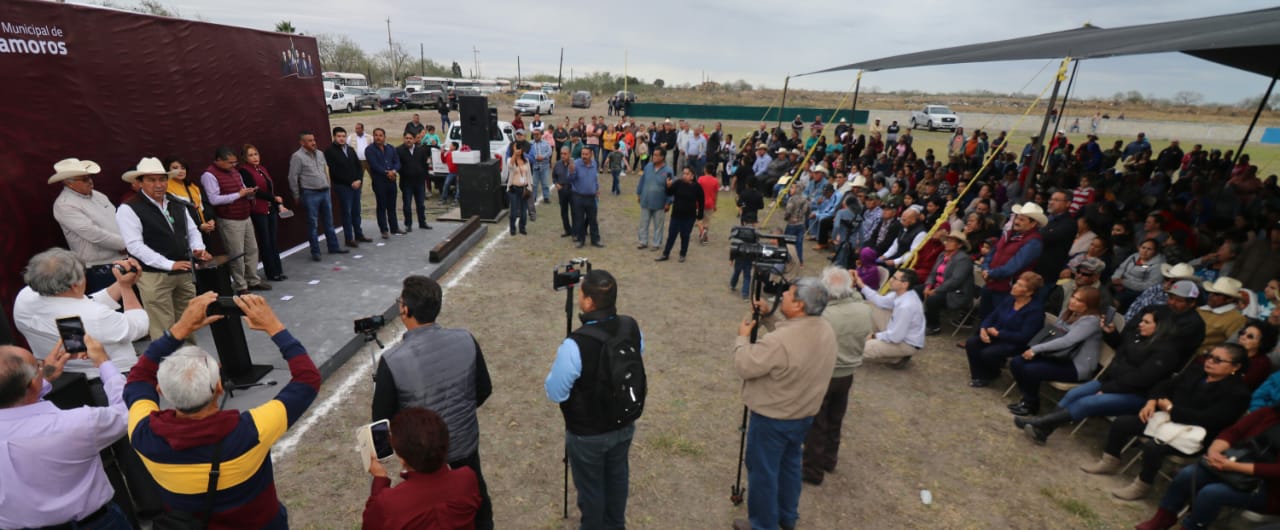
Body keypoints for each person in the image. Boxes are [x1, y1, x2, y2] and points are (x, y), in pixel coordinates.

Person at [125, 292, 320, 529]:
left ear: (161, 391)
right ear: (219, 387)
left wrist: (179, 329)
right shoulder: (251, 431)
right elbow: (308, 379)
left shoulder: (143, 434)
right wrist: (274, 327)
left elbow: (137, 379)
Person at [372, 275, 494, 529]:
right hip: (466, 447)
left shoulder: (393, 360)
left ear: (405, 309)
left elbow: (381, 420)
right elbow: (484, 389)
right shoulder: (465, 339)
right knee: (477, 507)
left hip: (423, 458)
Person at [1082, 343, 1250, 501]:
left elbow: (1210, 419)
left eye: (1217, 360)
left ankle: (1143, 484)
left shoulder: (1238, 394)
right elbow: (1164, 385)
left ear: (1235, 367)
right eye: (1209, 356)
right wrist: (1152, 401)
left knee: (1154, 446)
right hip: (1167, 422)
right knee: (1123, 423)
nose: (1210, 361)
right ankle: (1110, 461)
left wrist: (1171, 409)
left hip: (1194, 435)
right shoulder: (1197, 371)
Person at [731, 278, 835, 530]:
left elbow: (746, 365)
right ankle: (787, 517)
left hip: (773, 418)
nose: (783, 296)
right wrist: (769, 317)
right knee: (789, 466)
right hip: (803, 414)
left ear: (799, 305)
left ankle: (763, 525)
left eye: (788, 293)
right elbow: (791, 343)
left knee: (763, 473)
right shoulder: (825, 329)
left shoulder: (780, 342)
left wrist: (742, 339)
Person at [0, 334, 135, 529]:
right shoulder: (75, 424)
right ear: (32, 384)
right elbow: (129, 411)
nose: (42, 367)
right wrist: (103, 362)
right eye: (38, 366)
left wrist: (43, 375)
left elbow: (21, 399)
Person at [545, 270, 645, 530]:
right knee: (617, 478)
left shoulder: (575, 344)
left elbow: (556, 392)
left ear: (588, 302)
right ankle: (615, 524)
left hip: (587, 434)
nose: (578, 296)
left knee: (591, 489)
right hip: (623, 423)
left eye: (581, 293)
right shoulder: (630, 326)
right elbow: (637, 354)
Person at [1017, 305, 1181, 444]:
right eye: (1142, 320)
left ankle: (1039, 423)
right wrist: (1111, 334)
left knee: (1087, 403)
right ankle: (1043, 430)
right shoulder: (1138, 337)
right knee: (1074, 394)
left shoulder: (1166, 352)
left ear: (1160, 326)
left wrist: (1108, 389)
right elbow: (1122, 352)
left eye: (1146, 322)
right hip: (1111, 381)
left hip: (1136, 394)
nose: (1140, 324)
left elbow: (1142, 378)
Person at [1134, 404, 1280, 530]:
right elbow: (1233, 432)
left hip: (1267, 488)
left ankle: (1191, 527)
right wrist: (1214, 451)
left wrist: (1234, 467)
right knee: (1187, 474)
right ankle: (1164, 517)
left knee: (1212, 493)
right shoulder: (1268, 413)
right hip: (1233, 464)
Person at [115, 157, 211, 340]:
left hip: (183, 271)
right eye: (151, 180)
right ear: (140, 183)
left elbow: (191, 230)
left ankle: (189, 357)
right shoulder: (128, 208)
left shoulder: (177, 202)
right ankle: (169, 359)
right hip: (154, 276)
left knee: (188, 323)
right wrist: (169, 264)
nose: (158, 184)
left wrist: (198, 249)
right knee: (163, 329)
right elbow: (135, 246)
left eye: (162, 179)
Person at [12, 248, 147, 378]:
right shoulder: (92, 315)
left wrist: (121, 283)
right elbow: (138, 326)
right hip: (112, 375)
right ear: (75, 285)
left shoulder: (25, 298)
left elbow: (84, 306)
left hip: (64, 376)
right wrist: (126, 287)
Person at [802, 267, 872, 486]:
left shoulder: (825, 316)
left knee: (817, 423)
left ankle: (812, 469)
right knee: (835, 418)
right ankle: (829, 459)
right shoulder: (864, 309)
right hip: (848, 372)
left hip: (825, 373)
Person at [362, 407, 481, 529]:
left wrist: (380, 478)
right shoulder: (467, 479)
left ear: (402, 459)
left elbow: (371, 525)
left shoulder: (389, 504)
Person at [1007, 287, 1104, 417]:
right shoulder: (1069, 312)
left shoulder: (1091, 321)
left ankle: (1030, 404)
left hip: (1076, 366)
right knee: (1017, 362)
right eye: (1073, 297)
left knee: (1031, 370)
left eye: (1079, 300)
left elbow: (1067, 341)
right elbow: (1055, 334)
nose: (1073, 301)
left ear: (1089, 305)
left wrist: (1035, 349)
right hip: (1057, 356)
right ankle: (1028, 398)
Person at [50, 157, 128, 293]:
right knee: (111, 303)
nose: (90, 181)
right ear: (69, 183)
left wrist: (126, 244)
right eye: (84, 179)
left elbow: (118, 219)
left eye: (89, 177)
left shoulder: (98, 195)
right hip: (99, 267)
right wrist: (124, 244)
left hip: (122, 258)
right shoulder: (64, 204)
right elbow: (93, 233)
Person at [202, 146, 269, 294]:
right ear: (218, 160)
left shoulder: (234, 171)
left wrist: (249, 192)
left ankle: (253, 280)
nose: (233, 165)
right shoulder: (209, 175)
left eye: (235, 162)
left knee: (252, 250)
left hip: (245, 215)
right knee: (236, 254)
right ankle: (241, 285)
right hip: (229, 219)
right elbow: (213, 199)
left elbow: (242, 188)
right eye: (229, 162)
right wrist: (239, 195)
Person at [965, 272, 1046, 387]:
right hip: (998, 335)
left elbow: (1025, 336)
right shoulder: (1010, 299)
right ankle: (979, 375)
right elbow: (993, 315)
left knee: (988, 353)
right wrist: (983, 328)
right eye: (1016, 283)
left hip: (1016, 343)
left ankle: (992, 373)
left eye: (1020, 286)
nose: (1014, 286)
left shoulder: (1035, 311)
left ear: (1029, 292)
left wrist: (999, 334)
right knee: (972, 343)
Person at [288, 131, 348, 261]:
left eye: (314, 140)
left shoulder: (320, 154)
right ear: (302, 143)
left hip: (324, 191)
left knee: (329, 221)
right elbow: (292, 177)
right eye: (310, 140)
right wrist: (296, 195)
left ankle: (333, 247)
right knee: (313, 224)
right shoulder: (297, 157)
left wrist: (328, 185)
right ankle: (315, 251)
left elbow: (325, 170)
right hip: (310, 193)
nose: (313, 142)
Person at [979, 202, 1045, 319]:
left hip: (1007, 290)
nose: (1016, 221)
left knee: (998, 320)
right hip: (991, 283)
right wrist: (986, 268)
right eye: (1017, 218)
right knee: (984, 316)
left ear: (1033, 223)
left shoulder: (1034, 242)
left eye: (1022, 220)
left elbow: (1015, 265)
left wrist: (990, 273)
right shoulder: (1009, 234)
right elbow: (992, 252)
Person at [855, 268, 926, 369]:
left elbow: (896, 337)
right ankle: (872, 339)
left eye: (894, 278)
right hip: (898, 334)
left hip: (905, 343)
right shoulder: (901, 294)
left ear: (904, 284)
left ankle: (896, 357)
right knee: (871, 305)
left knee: (861, 348)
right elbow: (880, 301)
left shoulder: (906, 306)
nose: (891, 280)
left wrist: (874, 336)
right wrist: (861, 284)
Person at [239, 144, 288, 282]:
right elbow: (255, 190)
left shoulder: (261, 168)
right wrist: (273, 198)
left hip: (271, 208)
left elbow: (270, 189)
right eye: (251, 155)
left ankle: (278, 270)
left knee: (273, 240)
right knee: (265, 241)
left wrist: (278, 203)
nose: (255, 157)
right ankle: (271, 272)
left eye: (256, 154)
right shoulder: (244, 171)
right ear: (245, 158)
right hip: (258, 210)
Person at [325, 126, 372, 248]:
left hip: (356, 185)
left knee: (356, 211)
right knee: (347, 212)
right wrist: (351, 182)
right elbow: (334, 172)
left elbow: (358, 166)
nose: (341, 138)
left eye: (343, 136)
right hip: (343, 187)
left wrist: (359, 180)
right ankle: (349, 238)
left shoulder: (350, 149)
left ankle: (359, 234)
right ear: (334, 137)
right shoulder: (329, 151)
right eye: (339, 136)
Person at [923, 230, 976, 334]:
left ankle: (934, 327)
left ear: (959, 245)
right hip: (939, 287)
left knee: (932, 299)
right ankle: (920, 318)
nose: (947, 243)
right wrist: (928, 286)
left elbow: (955, 281)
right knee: (916, 290)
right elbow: (933, 273)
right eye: (947, 240)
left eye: (951, 241)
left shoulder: (963, 260)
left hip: (955, 292)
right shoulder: (942, 255)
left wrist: (936, 290)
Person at [655, 167, 705, 263]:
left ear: (692, 176)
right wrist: (668, 186)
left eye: (687, 174)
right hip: (676, 215)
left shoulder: (697, 187)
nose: (684, 175)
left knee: (685, 235)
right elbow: (669, 193)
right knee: (671, 235)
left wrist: (700, 216)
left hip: (689, 217)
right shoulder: (678, 183)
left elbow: (701, 202)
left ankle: (683, 254)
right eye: (683, 173)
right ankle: (666, 253)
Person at [365, 128, 403, 238]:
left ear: (384, 137)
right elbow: (374, 165)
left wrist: (394, 171)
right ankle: (384, 230)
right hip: (379, 182)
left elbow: (397, 162)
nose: (378, 137)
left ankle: (394, 228)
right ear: (373, 136)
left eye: (380, 135)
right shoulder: (370, 150)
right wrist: (387, 172)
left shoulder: (391, 148)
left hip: (391, 181)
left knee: (392, 206)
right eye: (376, 135)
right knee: (382, 206)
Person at [1197, 277, 1249, 357]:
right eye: (1210, 292)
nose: (1210, 296)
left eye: (1216, 294)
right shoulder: (1200, 309)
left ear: (1229, 299)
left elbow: (1231, 345)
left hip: (1203, 357)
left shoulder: (1236, 319)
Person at [1112, 239, 1166, 311]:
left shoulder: (1158, 265)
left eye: (1149, 249)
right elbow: (1121, 268)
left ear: (1155, 252)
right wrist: (1116, 278)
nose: (1145, 251)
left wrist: (1124, 282)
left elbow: (1150, 285)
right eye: (1143, 247)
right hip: (1120, 282)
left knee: (1118, 298)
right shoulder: (1134, 256)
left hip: (1137, 290)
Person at [636, 148, 673, 250]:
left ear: (662, 157)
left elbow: (671, 188)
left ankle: (656, 243)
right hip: (646, 200)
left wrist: (668, 202)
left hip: (660, 203)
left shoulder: (668, 171)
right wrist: (639, 193)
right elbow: (642, 180)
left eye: (656, 155)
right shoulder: (648, 166)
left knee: (658, 225)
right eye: (654, 154)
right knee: (643, 223)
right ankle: (643, 242)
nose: (654, 157)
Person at [396, 132, 432, 231]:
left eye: (410, 138)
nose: (408, 140)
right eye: (406, 138)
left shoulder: (421, 150)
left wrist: (423, 175)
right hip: (406, 182)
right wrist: (404, 172)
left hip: (419, 182)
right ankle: (408, 224)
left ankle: (422, 222)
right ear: (404, 139)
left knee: (421, 204)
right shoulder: (399, 150)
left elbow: (425, 164)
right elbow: (397, 164)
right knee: (407, 204)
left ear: (414, 139)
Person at [571, 147, 604, 248]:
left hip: (591, 197)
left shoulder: (594, 164)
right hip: (579, 197)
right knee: (580, 220)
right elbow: (570, 179)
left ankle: (595, 240)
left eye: (586, 154)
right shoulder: (576, 164)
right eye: (582, 154)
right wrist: (571, 172)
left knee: (593, 220)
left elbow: (595, 178)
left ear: (591, 155)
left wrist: (596, 188)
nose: (584, 156)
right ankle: (581, 240)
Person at [503, 140, 533, 236]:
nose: (518, 151)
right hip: (514, 189)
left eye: (519, 149)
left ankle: (522, 227)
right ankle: (512, 228)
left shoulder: (526, 160)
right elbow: (510, 166)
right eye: (516, 149)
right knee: (514, 211)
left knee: (524, 211)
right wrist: (514, 154)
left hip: (524, 188)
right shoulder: (510, 159)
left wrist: (530, 186)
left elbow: (529, 174)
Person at [552, 146, 576, 238]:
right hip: (562, 190)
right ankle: (567, 230)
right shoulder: (557, 164)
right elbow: (554, 176)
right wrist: (556, 184)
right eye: (561, 153)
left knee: (574, 212)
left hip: (572, 190)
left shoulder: (575, 164)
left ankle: (575, 231)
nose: (563, 155)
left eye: (565, 154)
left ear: (569, 154)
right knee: (564, 211)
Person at [530, 127, 554, 204]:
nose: (536, 135)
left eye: (537, 134)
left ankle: (546, 197)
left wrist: (543, 157)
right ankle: (533, 197)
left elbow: (550, 152)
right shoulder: (530, 143)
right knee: (534, 184)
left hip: (545, 166)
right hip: (535, 167)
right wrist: (534, 157)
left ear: (541, 134)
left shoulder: (546, 143)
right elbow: (528, 153)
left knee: (545, 183)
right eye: (534, 134)